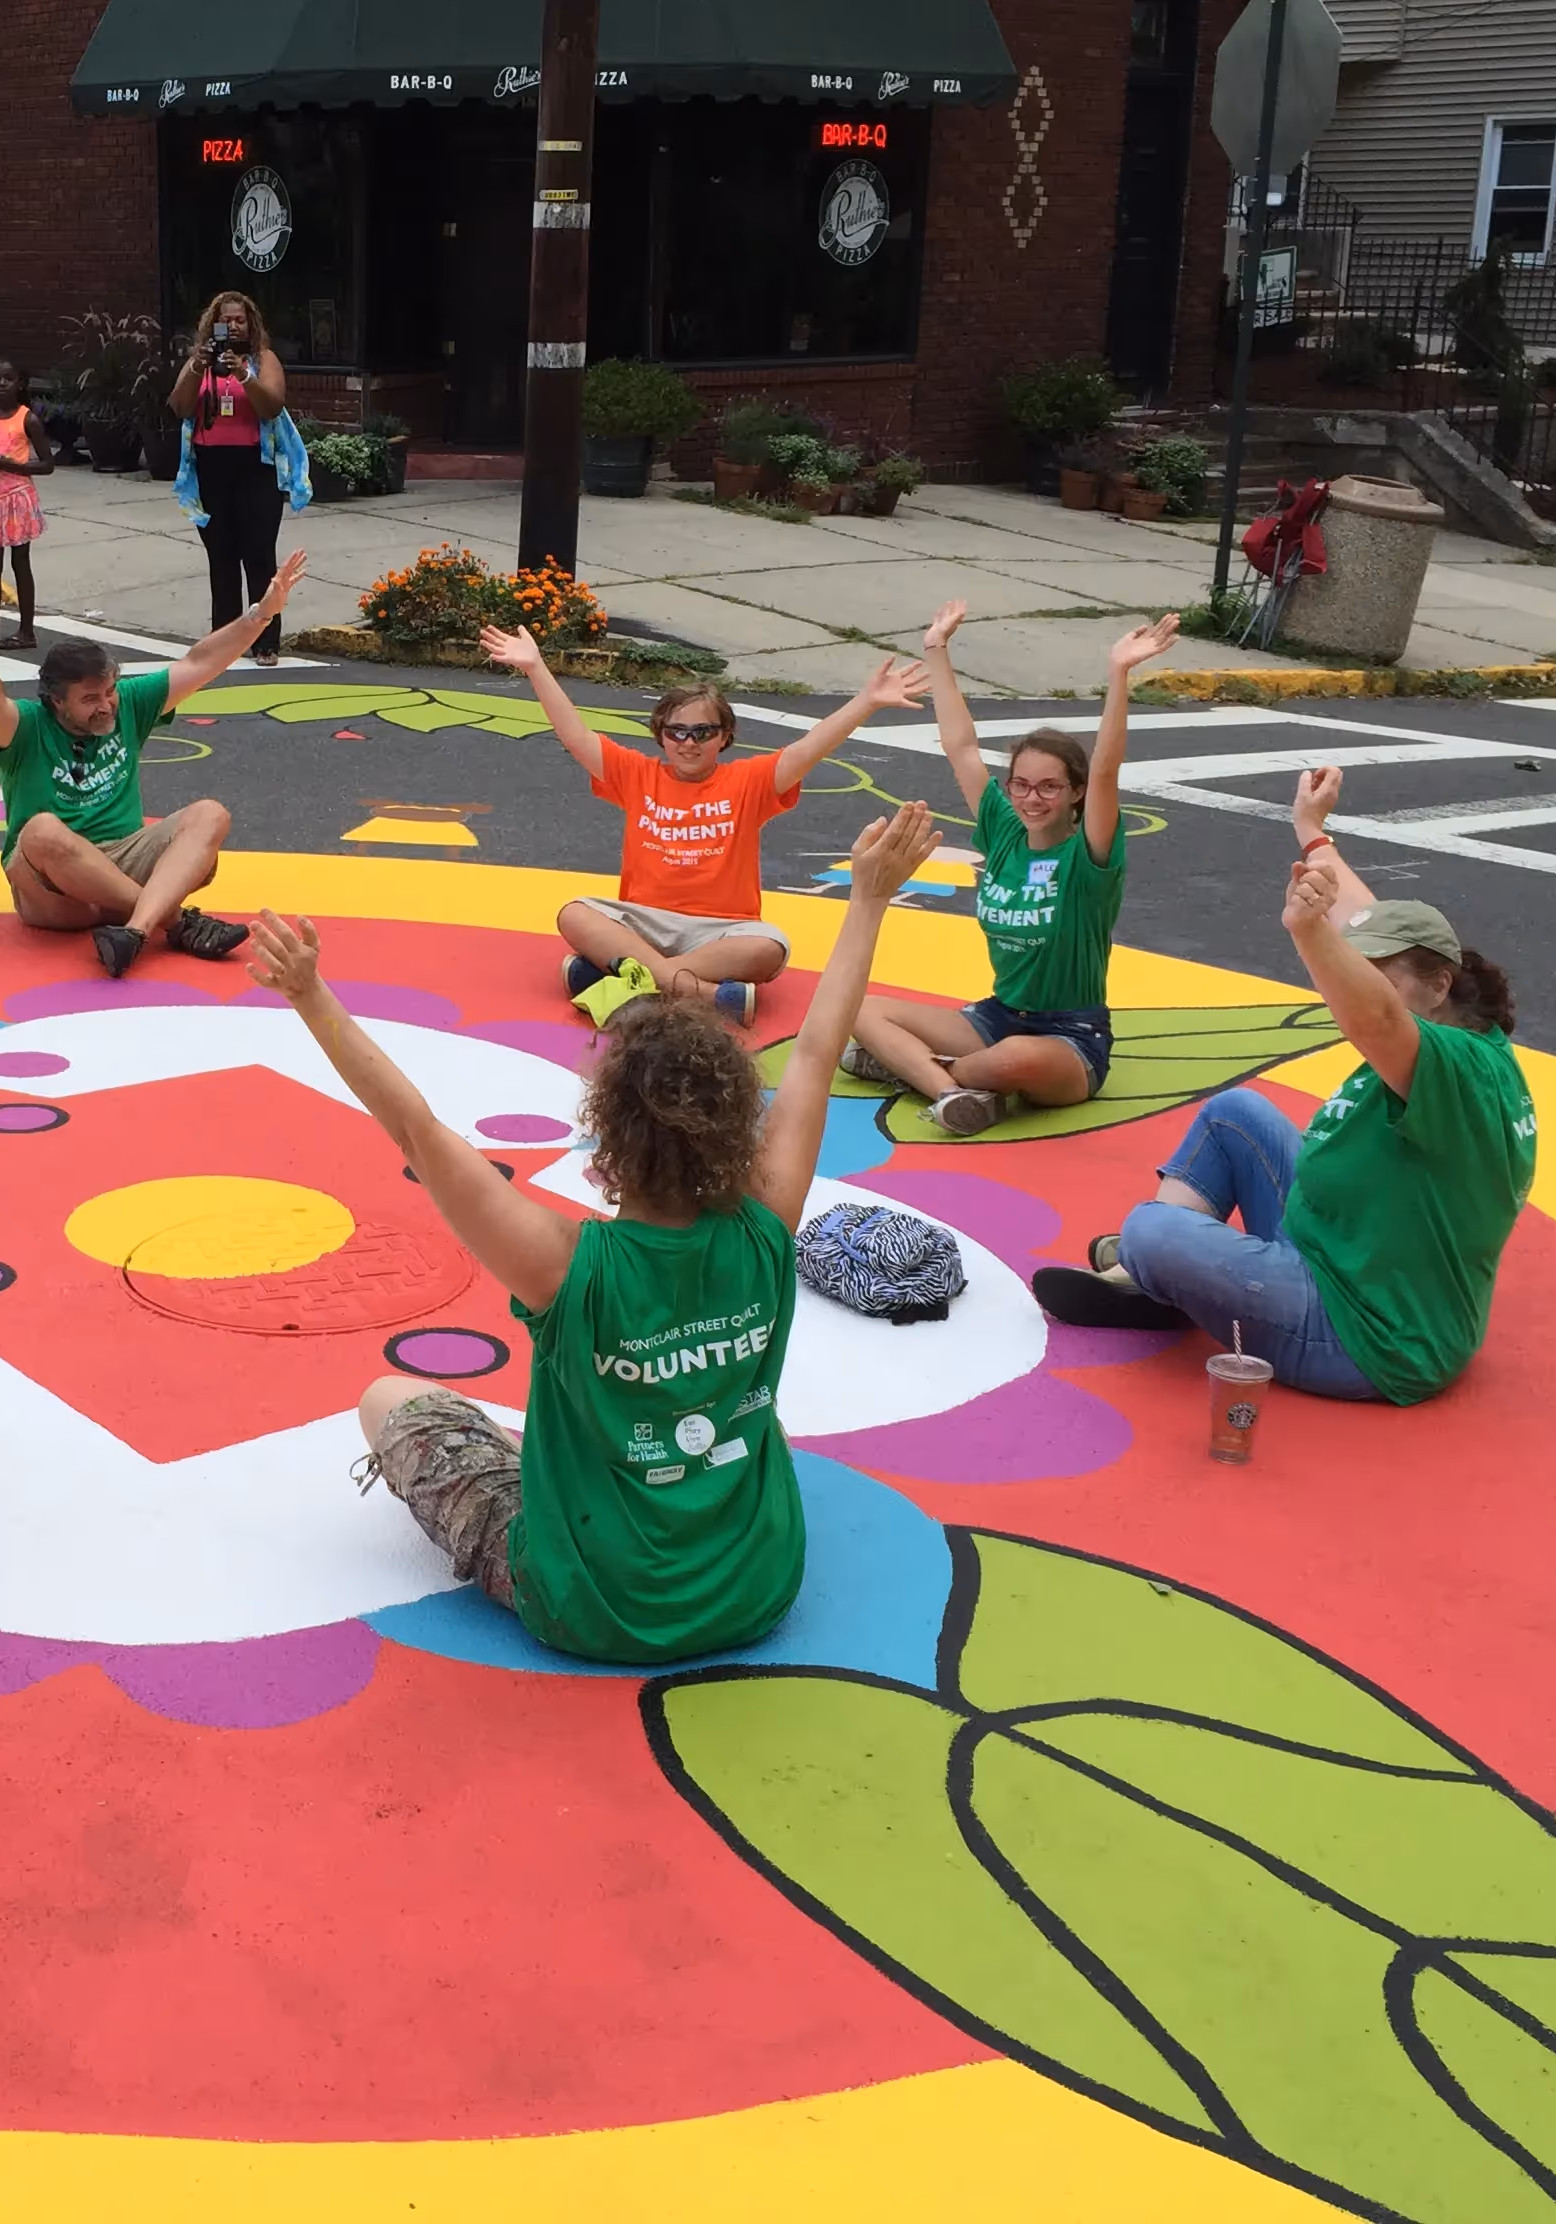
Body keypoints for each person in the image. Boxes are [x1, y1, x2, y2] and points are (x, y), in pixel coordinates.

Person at [245, 801, 944, 1661]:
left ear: (606, 1142)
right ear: (734, 1132)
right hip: (757, 1586)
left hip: (592, 1606)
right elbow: (812, 1052)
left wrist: (311, 997)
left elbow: (418, 1131)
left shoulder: (565, 1266)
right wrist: (869, 898)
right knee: (732, 1411)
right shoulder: (767, 1228)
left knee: (390, 1400)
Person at [1031, 767, 1536, 1406]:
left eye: (1377, 973)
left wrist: (1308, 931)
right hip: (1343, 1251)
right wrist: (1312, 832)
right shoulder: (1447, 1018)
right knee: (1235, 1113)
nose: (1356, 981)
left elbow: (1375, 1013)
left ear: (1438, 986)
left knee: (1149, 1232)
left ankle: (1160, 1273)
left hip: (1367, 1334)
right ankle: (1158, 1283)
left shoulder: (1452, 1066)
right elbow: (1374, 925)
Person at [482, 628, 929, 1030]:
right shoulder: (637, 774)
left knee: (769, 948)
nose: (688, 742)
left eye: (702, 731)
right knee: (574, 913)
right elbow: (575, 735)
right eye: (677, 732)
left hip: (722, 931)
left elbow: (809, 747)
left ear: (724, 736)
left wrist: (866, 702)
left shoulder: (748, 781)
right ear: (660, 735)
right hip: (643, 923)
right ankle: (704, 995)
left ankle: (626, 980)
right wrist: (536, 667)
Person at [846, 604, 1180, 1136]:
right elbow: (961, 745)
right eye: (1020, 784)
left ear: (1075, 794)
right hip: (996, 1017)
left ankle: (912, 1068)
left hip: (1069, 1037)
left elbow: (1107, 768)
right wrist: (935, 648)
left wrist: (1119, 674)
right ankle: (951, 1093)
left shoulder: (1089, 856)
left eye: (1050, 787)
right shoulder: (1002, 830)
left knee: (1015, 1060)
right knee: (858, 1008)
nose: (1031, 798)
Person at [0, 547, 306, 976]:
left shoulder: (127, 703)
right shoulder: (26, 727)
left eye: (109, 691)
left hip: (125, 857)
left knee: (209, 814)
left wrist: (261, 614)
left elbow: (200, 662)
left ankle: (136, 930)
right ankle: (175, 922)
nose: (106, 705)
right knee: (40, 831)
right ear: (56, 701)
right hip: (57, 892)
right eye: (90, 699)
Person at [166, 290, 309, 666]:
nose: (232, 326)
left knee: (258, 555)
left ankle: (265, 641)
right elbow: (179, 407)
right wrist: (197, 368)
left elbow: (272, 405)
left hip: (255, 469)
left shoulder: (264, 359)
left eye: (239, 320)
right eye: (225, 320)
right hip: (212, 467)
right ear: (213, 324)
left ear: (251, 324)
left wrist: (244, 374)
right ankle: (225, 640)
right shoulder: (199, 361)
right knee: (222, 556)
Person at [0, 357, 53, 651]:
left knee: (20, 562)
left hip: (17, 498)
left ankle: (26, 631)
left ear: (21, 384)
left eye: (8, 379)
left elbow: (47, 464)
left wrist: (9, 464)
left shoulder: (27, 419)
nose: (1, 384)